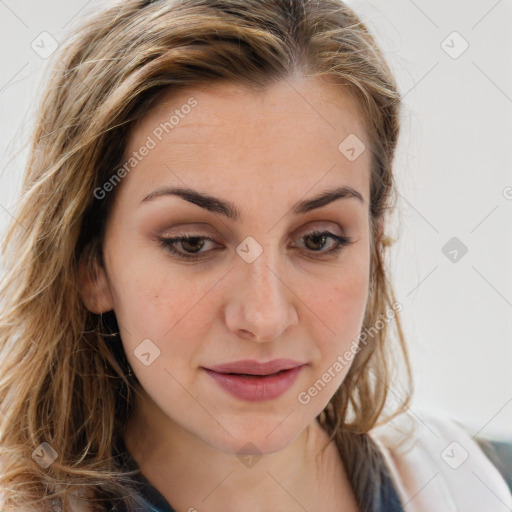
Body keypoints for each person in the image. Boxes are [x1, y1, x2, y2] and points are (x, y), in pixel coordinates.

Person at [0, 0, 510, 511]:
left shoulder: (472, 483)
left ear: (376, 244)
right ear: (90, 263)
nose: (264, 318)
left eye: (318, 240)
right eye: (193, 243)